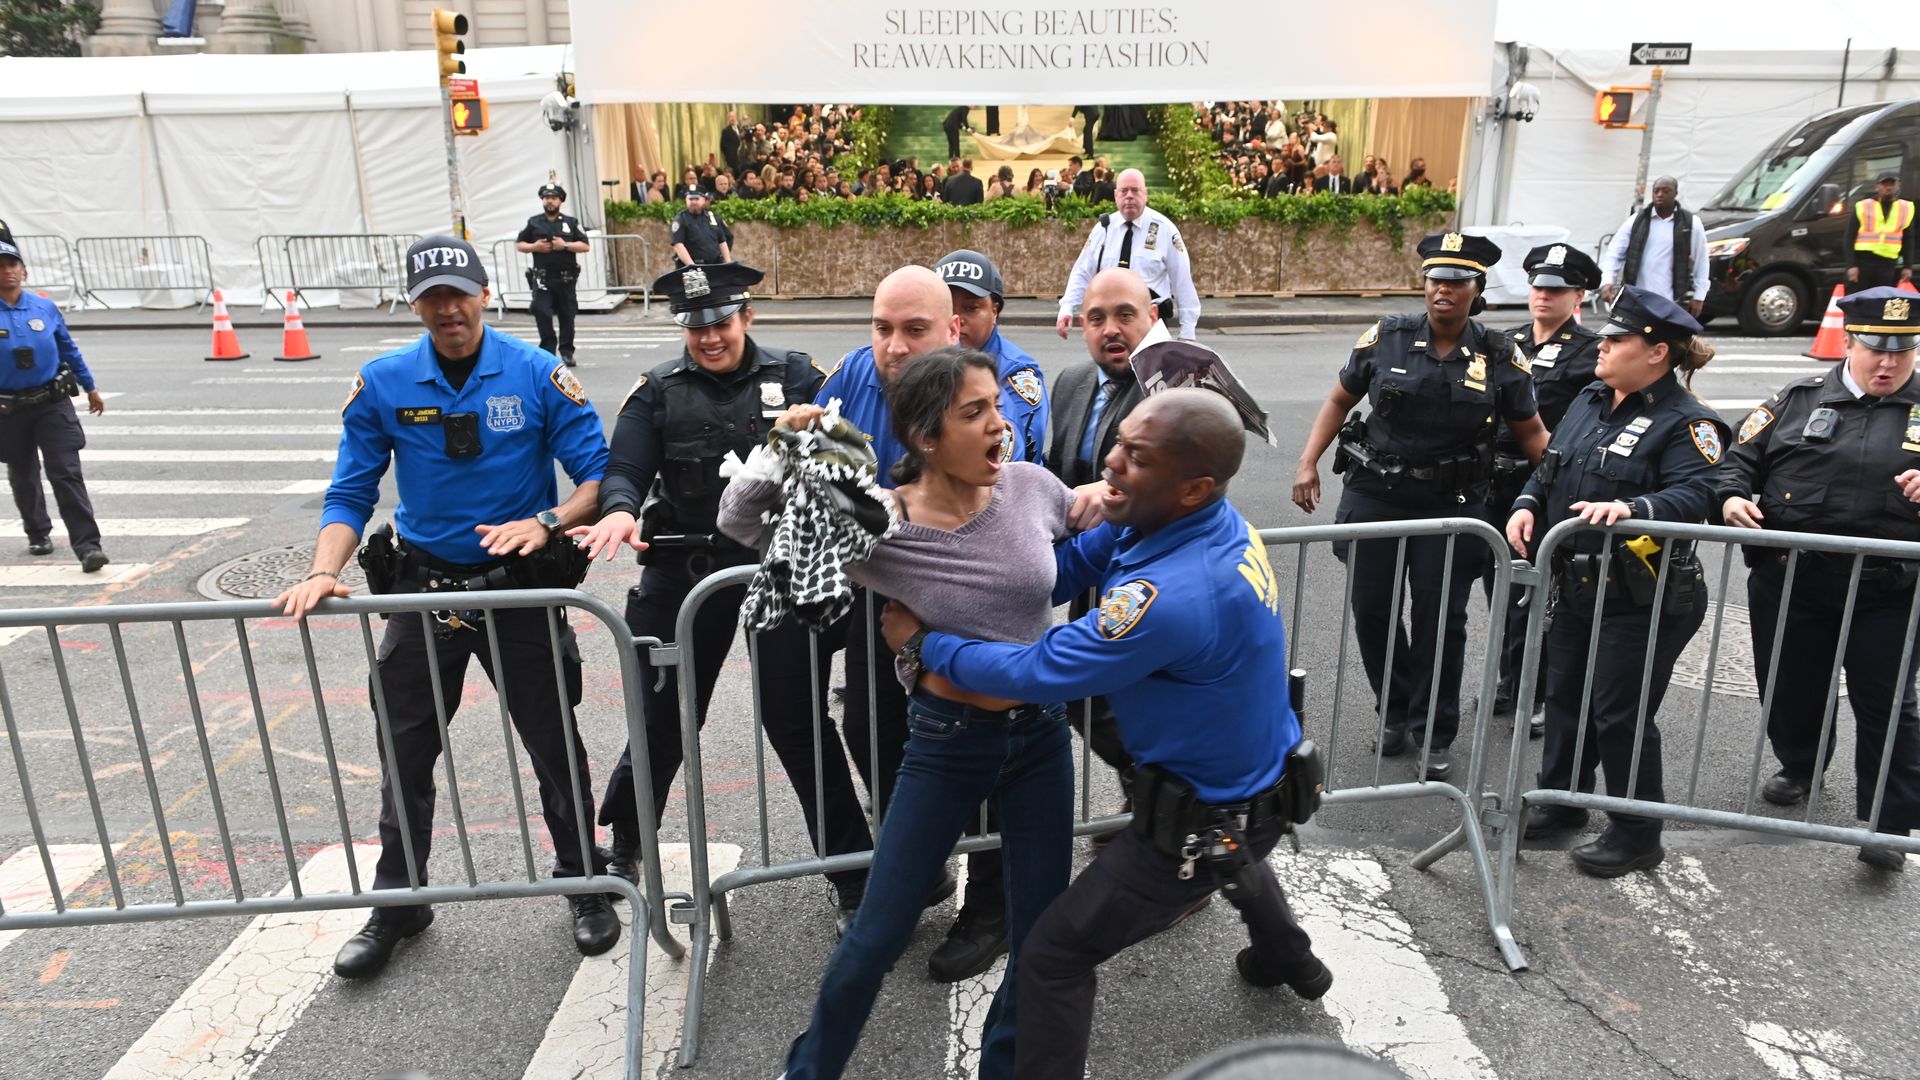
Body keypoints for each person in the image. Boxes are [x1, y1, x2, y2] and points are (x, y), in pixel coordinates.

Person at [883, 388, 1332, 1080]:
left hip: (1195, 823)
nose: (1112, 464)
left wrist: (927, 644)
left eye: (1137, 457)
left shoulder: (1174, 595)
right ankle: (1291, 960)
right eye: (1120, 442)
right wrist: (971, 574)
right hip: (1255, 785)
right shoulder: (1187, 519)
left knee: (1054, 956)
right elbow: (1064, 571)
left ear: (1193, 486)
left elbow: (1037, 670)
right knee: (1242, 847)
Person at [724, 347, 1077, 1079]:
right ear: (925, 437)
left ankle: (1006, 1068)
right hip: (950, 744)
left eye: (998, 407)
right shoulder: (882, 523)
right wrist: (783, 442)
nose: (1000, 425)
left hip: (1041, 737)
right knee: (877, 935)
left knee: (1042, 934)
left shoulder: (1032, 486)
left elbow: (1089, 522)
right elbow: (742, 520)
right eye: (974, 412)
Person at [276, 236, 617, 977]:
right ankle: (400, 902)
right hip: (425, 593)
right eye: (432, 298)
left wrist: (550, 521)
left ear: (485, 294)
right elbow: (351, 491)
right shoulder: (385, 381)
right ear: (415, 306)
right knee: (404, 753)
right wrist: (324, 570)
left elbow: (597, 474)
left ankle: (586, 883)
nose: (448, 309)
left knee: (554, 744)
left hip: (519, 589)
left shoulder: (536, 373)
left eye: (458, 294)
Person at [562, 261, 827, 888]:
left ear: (746, 317)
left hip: (776, 566)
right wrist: (620, 509)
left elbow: (845, 450)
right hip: (685, 567)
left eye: (721, 322)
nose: (709, 337)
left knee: (796, 720)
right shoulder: (657, 389)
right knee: (663, 716)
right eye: (695, 326)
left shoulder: (797, 376)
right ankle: (628, 838)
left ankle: (848, 869)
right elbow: (625, 468)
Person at [1292, 233, 1547, 779]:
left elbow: (1532, 434)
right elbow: (1340, 398)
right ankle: (1395, 710)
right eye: (1435, 279)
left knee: (1441, 620)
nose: (1443, 289)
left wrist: (1559, 491)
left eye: (1457, 280)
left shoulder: (1500, 353)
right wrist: (1308, 461)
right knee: (1373, 610)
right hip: (1376, 493)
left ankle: (1434, 730)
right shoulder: (1387, 335)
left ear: (1477, 289)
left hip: (1453, 502)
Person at [1506, 286, 1725, 877]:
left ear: (1657, 352)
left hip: (1643, 593)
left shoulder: (1688, 422)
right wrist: (1528, 503)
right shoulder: (1590, 398)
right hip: (1578, 584)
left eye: (1617, 339)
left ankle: (1637, 832)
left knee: (1618, 711)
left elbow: (1699, 493)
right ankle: (1563, 800)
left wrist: (1636, 508)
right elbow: (1552, 466)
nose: (1601, 346)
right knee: (1566, 696)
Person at [1721, 285, 1920, 871]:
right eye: (1877, 350)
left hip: (1888, 589)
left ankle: (1888, 822)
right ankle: (1801, 764)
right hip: (1793, 579)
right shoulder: (1797, 400)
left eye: (1903, 352)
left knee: (1888, 703)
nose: (1888, 364)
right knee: (1791, 682)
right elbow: (1737, 459)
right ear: (1849, 343)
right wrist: (1731, 497)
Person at [1488, 244, 1604, 728]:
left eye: (1557, 290)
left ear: (1578, 296)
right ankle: (1509, 679)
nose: (1544, 296)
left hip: (1541, 482)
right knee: (1500, 590)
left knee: (1535, 593)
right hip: (1492, 481)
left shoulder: (1591, 352)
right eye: (1538, 286)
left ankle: (1535, 691)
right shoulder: (1506, 341)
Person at [0, 240, 108, 570]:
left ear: (24, 271)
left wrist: (90, 386)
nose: (7, 271)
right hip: (8, 408)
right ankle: (37, 531)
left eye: (12, 265)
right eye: (0, 267)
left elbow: (68, 348)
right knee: (23, 473)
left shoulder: (44, 307)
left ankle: (88, 547)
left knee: (66, 472)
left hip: (52, 402)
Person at [1056, 169, 1202, 341]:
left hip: (1150, 322)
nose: (1129, 196)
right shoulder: (1103, 229)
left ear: (1145, 194)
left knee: (1149, 360)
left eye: (1135, 190)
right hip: (1110, 323)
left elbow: (1182, 282)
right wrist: (1067, 308)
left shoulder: (1164, 230)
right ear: (1116, 195)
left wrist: (1187, 333)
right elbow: (1082, 272)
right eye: (1124, 191)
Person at [936, 249, 1048, 467]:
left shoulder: (1017, 375)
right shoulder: (916, 360)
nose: (957, 319)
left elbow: (1020, 464)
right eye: (947, 308)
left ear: (994, 311)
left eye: (971, 308)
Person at [1602, 177, 1709, 316]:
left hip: (1671, 301)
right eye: (1656, 191)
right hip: (1636, 298)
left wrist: (1700, 295)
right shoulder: (1637, 220)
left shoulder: (1690, 223)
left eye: (1666, 191)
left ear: (1675, 193)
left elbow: (1701, 260)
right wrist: (1608, 281)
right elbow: (1615, 253)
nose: (1660, 194)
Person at [515, 183, 589, 366]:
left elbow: (585, 245)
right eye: (547, 197)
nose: (550, 201)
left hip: (565, 279)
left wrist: (565, 245)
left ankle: (566, 351)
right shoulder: (534, 222)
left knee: (567, 315)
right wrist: (535, 247)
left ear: (560, 201)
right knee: (541, 310)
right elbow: (520, 244)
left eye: (554, 198)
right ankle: (548, 350)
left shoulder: (570, 222)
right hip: (543, 279)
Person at [1847, 173, 1917, 292]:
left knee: (1883, 300)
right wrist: (1852, 265)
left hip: (1887, 265)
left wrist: (1908, 266)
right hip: (1863, 263)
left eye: (1892, 184)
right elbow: (1849, 237)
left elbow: (1908, 239)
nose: (1888, 187)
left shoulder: (1906, 208)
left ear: (1898, 186)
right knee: (1858, 300)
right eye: (1884, 184)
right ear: (1877, 187)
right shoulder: (1863, 206)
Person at [670, 187, 733, 267]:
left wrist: (728, 263)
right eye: (690, 199)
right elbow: (678, 246)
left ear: (704, 200)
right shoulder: (681, 219)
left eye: (697, 199)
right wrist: (692, 266)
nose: (693, 202)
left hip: (715, 266)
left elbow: (722, 241)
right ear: (686, 200)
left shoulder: (712, 217)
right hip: (692, 268)